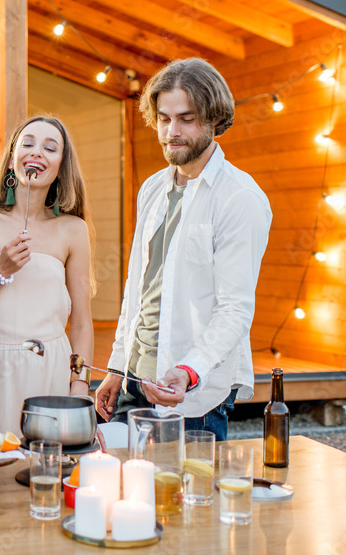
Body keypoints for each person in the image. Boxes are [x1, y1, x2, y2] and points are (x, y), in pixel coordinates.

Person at [95, 57, 272, 442]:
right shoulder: (153, 189)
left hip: (191, 399)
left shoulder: (239, 198)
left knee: (186, 501)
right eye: (163, 118)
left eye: (186, 119)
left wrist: (189, 371)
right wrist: (115, 367)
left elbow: (235, 310)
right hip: (133, 382)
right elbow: (138, 288)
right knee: (125, 498)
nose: (171, 131)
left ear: (214, 119)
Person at [0, 116, 95, 436]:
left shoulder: (73, 230)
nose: (36, 152)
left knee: (43, 475)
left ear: (60, 167)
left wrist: (80, 386)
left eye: (50, 147)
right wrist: (0, 272)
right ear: (12, 160)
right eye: (27, 144)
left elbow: (81, 322)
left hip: (49, 371)